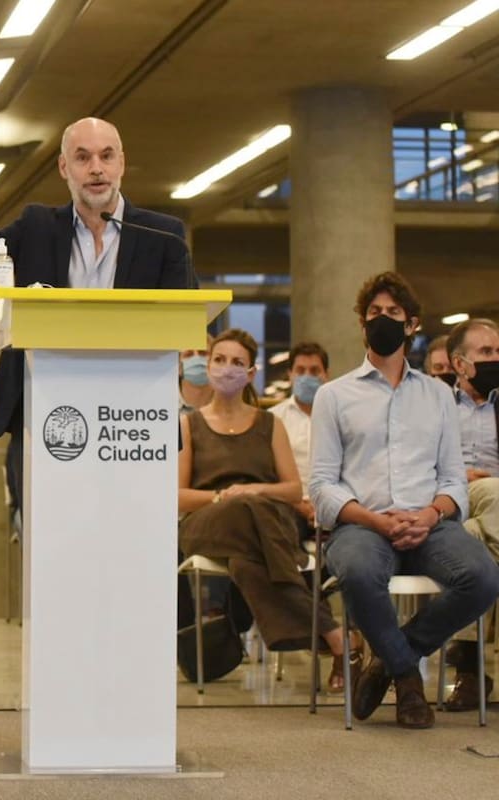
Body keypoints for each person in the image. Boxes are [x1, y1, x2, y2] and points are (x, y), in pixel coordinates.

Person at [0, 116, 194, 520]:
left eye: (106, 156)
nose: (96, 168)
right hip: (46, 415)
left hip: (132, 422)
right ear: (64, 168)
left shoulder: (162, 236)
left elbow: (188, 321)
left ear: (121, 163)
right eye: (82, 157)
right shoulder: (39, 227)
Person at [310, 272, 499, 728]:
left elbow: (454, 479)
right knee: (355, 570)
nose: (383, 320)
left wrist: (431, 513)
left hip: (430, 525)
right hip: (363, 525)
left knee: (484, 577)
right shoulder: (334, 395)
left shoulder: (437, 395)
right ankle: (408, 681)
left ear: (411, 325)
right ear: (362, 324)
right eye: (374, 313)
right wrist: (376, 522)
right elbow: (322, 485)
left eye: (393, 313)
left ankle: (393, 659)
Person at [178, 329, 358, 691]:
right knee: (247, 507)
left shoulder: (269, 423)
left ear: (250, 373)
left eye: (237, 362)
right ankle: (330, 629)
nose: (227, 368)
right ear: (210, 365)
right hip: (206, 524)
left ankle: (334, 637)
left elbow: (292, 488)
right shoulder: (189, 423)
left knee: (248, 561)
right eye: (220, 359)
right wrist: (223, 497)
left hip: (262, 525)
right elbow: (178, 495)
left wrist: (252, 489)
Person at [440, 318, 499, 711]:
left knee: (475, 539)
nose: (497, 358)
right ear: (460, 364)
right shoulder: (434, 402)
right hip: (445, 498)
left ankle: (468, 663)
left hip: (490, 504)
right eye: (487, 352)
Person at [269, 341, 330, 532]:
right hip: (288, 507)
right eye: (300, 370)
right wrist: (301, 506)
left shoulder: (342, 417)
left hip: (335, 507)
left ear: (326, 375)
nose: (307, 376)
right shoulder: (273, 418)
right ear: (290, 375)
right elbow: (268, 474)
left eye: (314, 371)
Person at [179, 337, 214, 415]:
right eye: (188, 354)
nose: (196, 358)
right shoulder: (163, 405)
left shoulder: (229, 403)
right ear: (178, 366)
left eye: (203, 353)